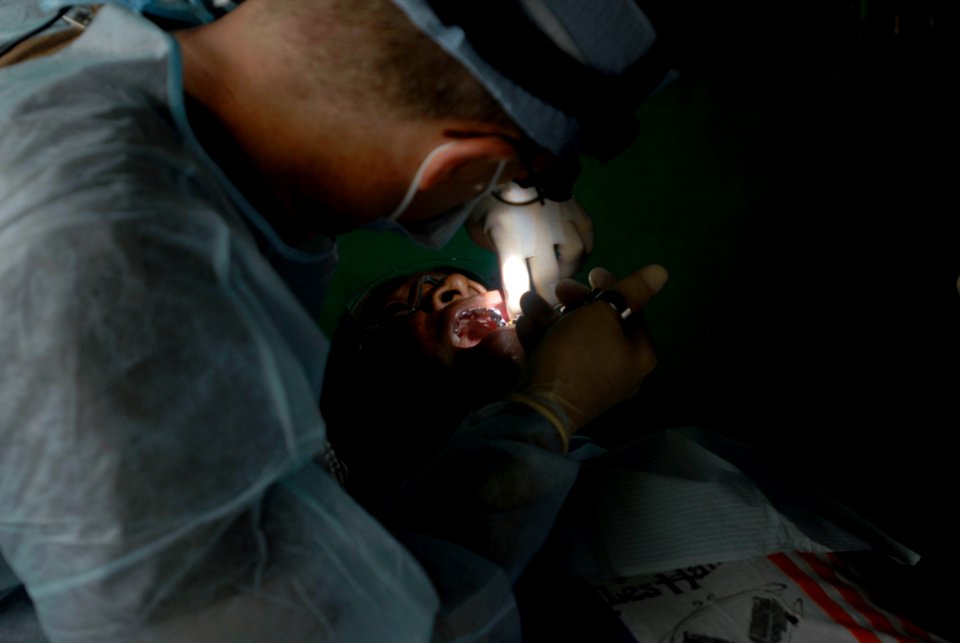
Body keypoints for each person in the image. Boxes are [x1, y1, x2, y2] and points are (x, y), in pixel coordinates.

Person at [0, 0, 676, 640]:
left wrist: (510, 183)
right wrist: (546, 414)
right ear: (454, 160)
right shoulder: (106, 294)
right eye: (507, 169)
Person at [320, 262, 949, 643]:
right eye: (397, 314)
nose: (446, 287)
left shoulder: (666, 460)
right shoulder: (382, 551)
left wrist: (558, 408)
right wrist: (544, 408)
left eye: (443, 280)